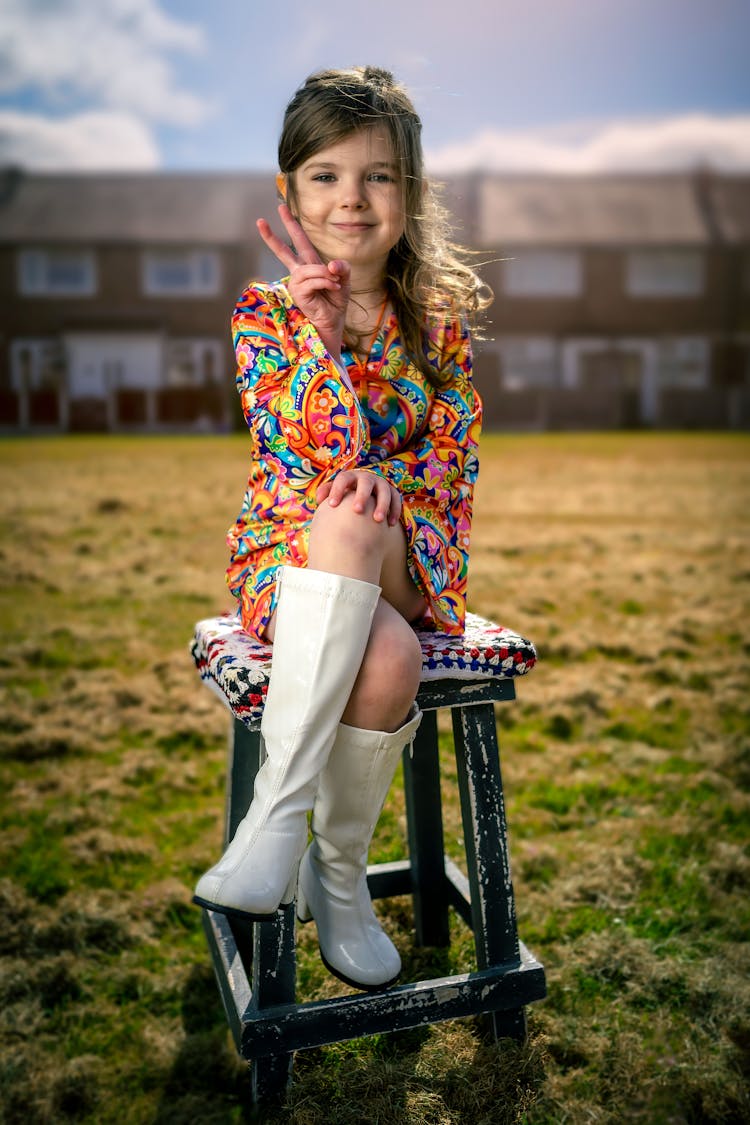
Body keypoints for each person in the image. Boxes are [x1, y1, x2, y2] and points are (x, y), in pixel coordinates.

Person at [193, 66, 490, 992]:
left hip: (411, 553)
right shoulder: (265, 315)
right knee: (387, 657)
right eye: (325, 175)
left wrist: (378, 483)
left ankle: (272, 825)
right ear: (289, 192)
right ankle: (341, 878)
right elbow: (295, 452)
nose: (352, 200)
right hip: (287, 557)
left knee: (361, 512)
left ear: (411, 191)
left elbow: (453, 456)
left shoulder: (435, 326)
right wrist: (321, 343)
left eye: (379, 176)